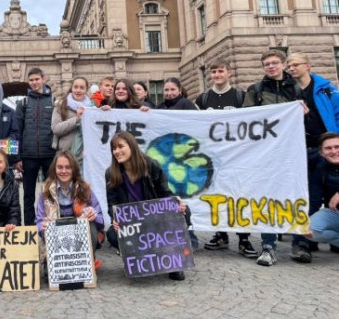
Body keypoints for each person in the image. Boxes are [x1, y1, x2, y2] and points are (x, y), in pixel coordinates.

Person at [243, 50, 303, 266]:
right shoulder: (256, 90)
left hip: (291, 151)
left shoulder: (297, 88)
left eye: (274, 63)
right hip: (266, 153)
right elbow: (246, 118)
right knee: (267, 198)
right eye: (266, 64)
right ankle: (268, 246)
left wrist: (303, 112)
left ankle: (299, 243)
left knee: (295, 195)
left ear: (283, 64)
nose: (270, 66)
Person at [194, 58, 257, 258]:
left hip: (237, 157)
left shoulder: (240, 96)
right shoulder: (203, 99)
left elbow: (252, 121)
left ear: (229, 73)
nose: (217, 75)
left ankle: (244, 238)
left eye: (221, 71)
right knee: (217, 196)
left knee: (239, 195)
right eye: (214, 72)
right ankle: (221, 235)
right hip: (213, 158)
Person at [105, 132, 187, 281]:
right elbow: (112, 203)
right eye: (114, 148)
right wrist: (115, 219)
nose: (116, 151)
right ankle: (139, 258)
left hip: (156, 220)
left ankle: (174, 262)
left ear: (132, 146)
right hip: (132, 223)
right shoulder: (111, 173)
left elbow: (164, 193)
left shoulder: (152, 166)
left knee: (184, 214)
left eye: (120, 146)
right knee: (112, 234)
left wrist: (176, 204)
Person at [286, 52, 339, 261]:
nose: (291, 68)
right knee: (308, 197)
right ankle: (301, 243)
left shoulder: (326, 89)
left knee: (331, 191)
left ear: (307, 66)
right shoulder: (290, 91)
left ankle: (330, 237)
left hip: (325, 148)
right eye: (289, 66)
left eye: (295, 65)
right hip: (300, 149)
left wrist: (335, 143)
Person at [35, 151, 104, 268]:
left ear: (74, 169)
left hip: (80, 239)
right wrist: (43, 226)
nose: (64, 171)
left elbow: (101, 219)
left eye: (68, 167)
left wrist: (94, 216)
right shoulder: (45, 191)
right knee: (47, 272)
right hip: (57, 240)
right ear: (54, 169)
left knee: (91, 225)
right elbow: (38, 222)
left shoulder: (85, 189)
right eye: (60, 167)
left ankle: (87, 261)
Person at [14, 68, 56, 226]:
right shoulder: (23, 103)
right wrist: (17, 158)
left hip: (50, 154)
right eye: (31, 80)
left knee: (51, 193)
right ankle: (29, 228)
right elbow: (16, 131)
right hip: (28, 156)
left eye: (37, 79)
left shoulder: (54, 101)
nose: (34, 82)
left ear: (43, 79)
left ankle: (51, 225)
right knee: (28, 195)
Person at [309, 133, 339, 248]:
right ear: (321, 153)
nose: (334, 151)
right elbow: (314, 201)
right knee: (308, 230)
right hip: (335, 213)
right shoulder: (320, 170)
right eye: (328, 148)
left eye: (337, 147)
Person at [51, 76, 91, 156]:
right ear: (71, 88)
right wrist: (76, 119)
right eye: (75, 87)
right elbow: (56, 129)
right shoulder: (60, 105)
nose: (78, 90)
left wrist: (104, 111)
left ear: (86, 90)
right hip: (66, 153)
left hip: (85, 155)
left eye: (82, 88)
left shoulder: (92, 108)